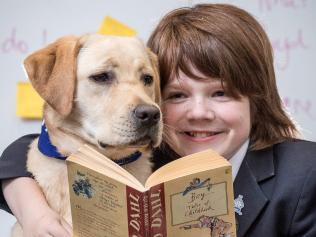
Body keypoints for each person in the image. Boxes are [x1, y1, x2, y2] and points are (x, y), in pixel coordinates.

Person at [1, 3, 316, 237]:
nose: (198, 112)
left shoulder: (305, 175)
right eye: (177, 95)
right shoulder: (155, 163)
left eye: (221, 93)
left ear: (256, 97)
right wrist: (34, 211)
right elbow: (30, 149)